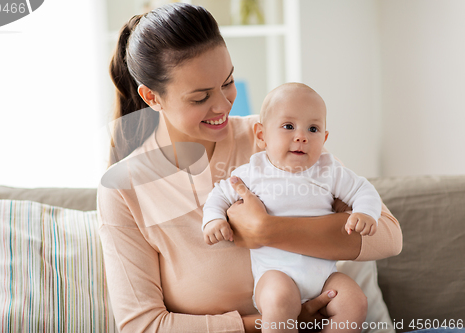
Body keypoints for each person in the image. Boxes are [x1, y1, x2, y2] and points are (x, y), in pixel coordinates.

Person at [97, 3, 402, 332]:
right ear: (151, 97)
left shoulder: (274, 135)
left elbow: (388, 237)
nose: (223, 105)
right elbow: (142, 326)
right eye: (200, 97)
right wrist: (267, 321)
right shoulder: (124, 189)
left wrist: (269, 231)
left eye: (227, 82)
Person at [202, 82, 381, 332]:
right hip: (276, 275)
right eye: (288, 126)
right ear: (262, 135)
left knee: (355, 301)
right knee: (279, 301)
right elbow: (219, 195)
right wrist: (214, 220)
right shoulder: (254, 172)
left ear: (325, 138)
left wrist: (364, 212)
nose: (301, 136)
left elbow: (364, 190)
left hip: (324, 276)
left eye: (313, 128)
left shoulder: (329, 170)